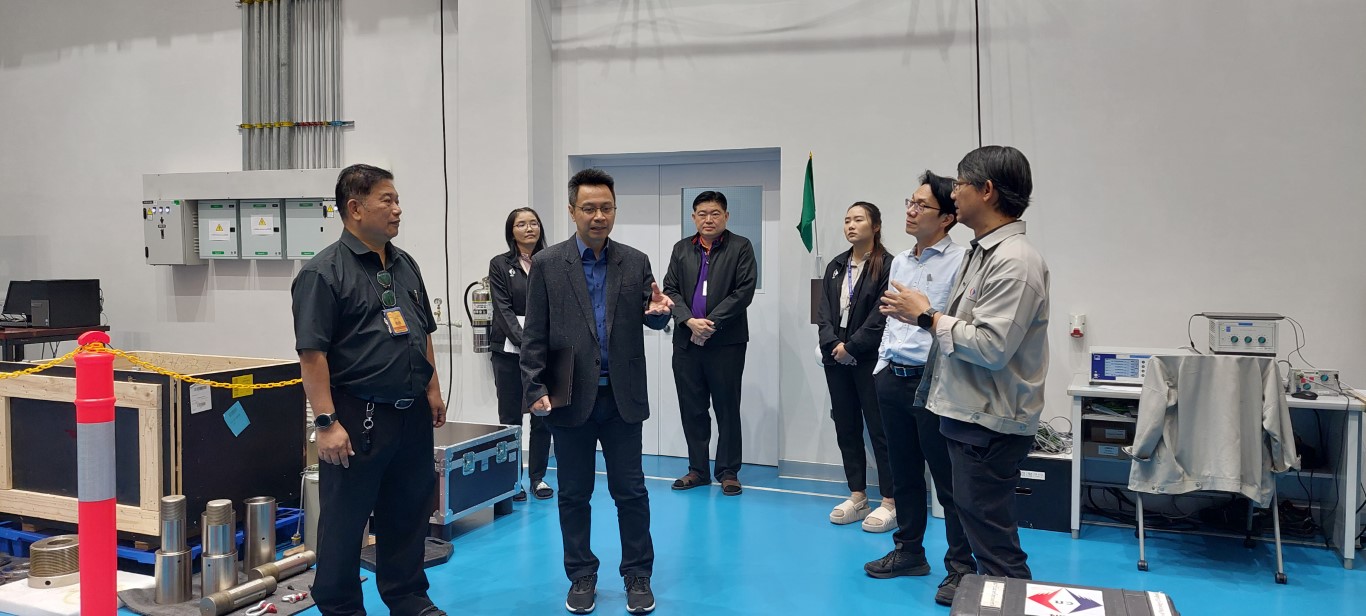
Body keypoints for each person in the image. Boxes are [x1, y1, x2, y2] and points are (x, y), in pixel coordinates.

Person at [884, 146, 1049, 603]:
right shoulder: (984, 252)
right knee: (983, 533)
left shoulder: (1014, 261)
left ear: (987, 190)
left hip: (989, 420)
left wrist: (926, 316)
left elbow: (993, 347)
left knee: (995, 547)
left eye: (959, 184)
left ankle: (1009, 603)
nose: (953, 193)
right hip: (965, 411)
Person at [291, 164, 447, 616]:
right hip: (357, 418)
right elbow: (312, 355)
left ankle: (408, 596)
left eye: (397, 200)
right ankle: (340, 605)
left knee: (408, 512)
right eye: (387, 200)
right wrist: (326, 422)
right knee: (345, 522)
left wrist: (433, 388)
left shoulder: (405, 263)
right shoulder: (323, 273)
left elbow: (422, 331)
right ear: (355, 208)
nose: (398, 209)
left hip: (410, 414)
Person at [520, 168, 673, 615]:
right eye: (589, 208)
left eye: (607, 208)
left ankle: (637, 574)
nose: (599, 216)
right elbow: (534, 334)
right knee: (573, 494)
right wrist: (534, 386)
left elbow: (652, 314)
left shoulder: (635, 261)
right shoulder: (549, 264)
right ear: (572, 211)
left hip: (622, 398)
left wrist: (661, 314)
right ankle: (581, 574)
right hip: (570, 397)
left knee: (632, 492)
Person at [864, 172, 973, 607]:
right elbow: (891, 318)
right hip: (893, 378)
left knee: (948, 480)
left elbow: (958, 324)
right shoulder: (900, 263)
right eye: (909, 202)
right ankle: (909, 551)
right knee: (903, 474)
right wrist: (882, 366)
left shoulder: (962, 262)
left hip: (935, 382)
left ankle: (961, 567)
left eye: (921, 205)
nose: (910, 211)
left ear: (947, 217)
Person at [661, 191, 758, 496]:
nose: (708, 219)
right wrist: (689, 321)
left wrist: (710, 323)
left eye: (715, 213)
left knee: (727, 408)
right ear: (693, 218)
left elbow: (744, 291)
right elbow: (670, 289)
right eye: (702, 214)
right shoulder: (681, 249)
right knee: (692, 408)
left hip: (726, 343)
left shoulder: (741, 247)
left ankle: (728, 472)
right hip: (686, 342)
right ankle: (698, 470)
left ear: (726, 216)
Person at [814, 202, 895, 530]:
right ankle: (857, 495)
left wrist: (853, 347)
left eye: (858, 219)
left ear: (875, 226)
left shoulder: (888, 265)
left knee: (879, 429)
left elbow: (881, 314)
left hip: (870, 359)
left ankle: (890, 501)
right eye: (847, 220)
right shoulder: (836, 265)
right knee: (846, 427)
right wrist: (834, 345)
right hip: (836, 359)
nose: (850, 225)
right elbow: (823, 312)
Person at [487, 207, 554, 502]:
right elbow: (502, 309)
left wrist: (542, 346)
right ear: (511, 232)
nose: (529, 228)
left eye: (534, 223)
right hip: (509, 352)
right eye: (521, 224)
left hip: (546, 351)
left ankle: (538, 477)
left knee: (542, 414)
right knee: (510, 417)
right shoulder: (500, 264)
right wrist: (527, 344)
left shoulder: (551, 261)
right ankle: (512, 481)